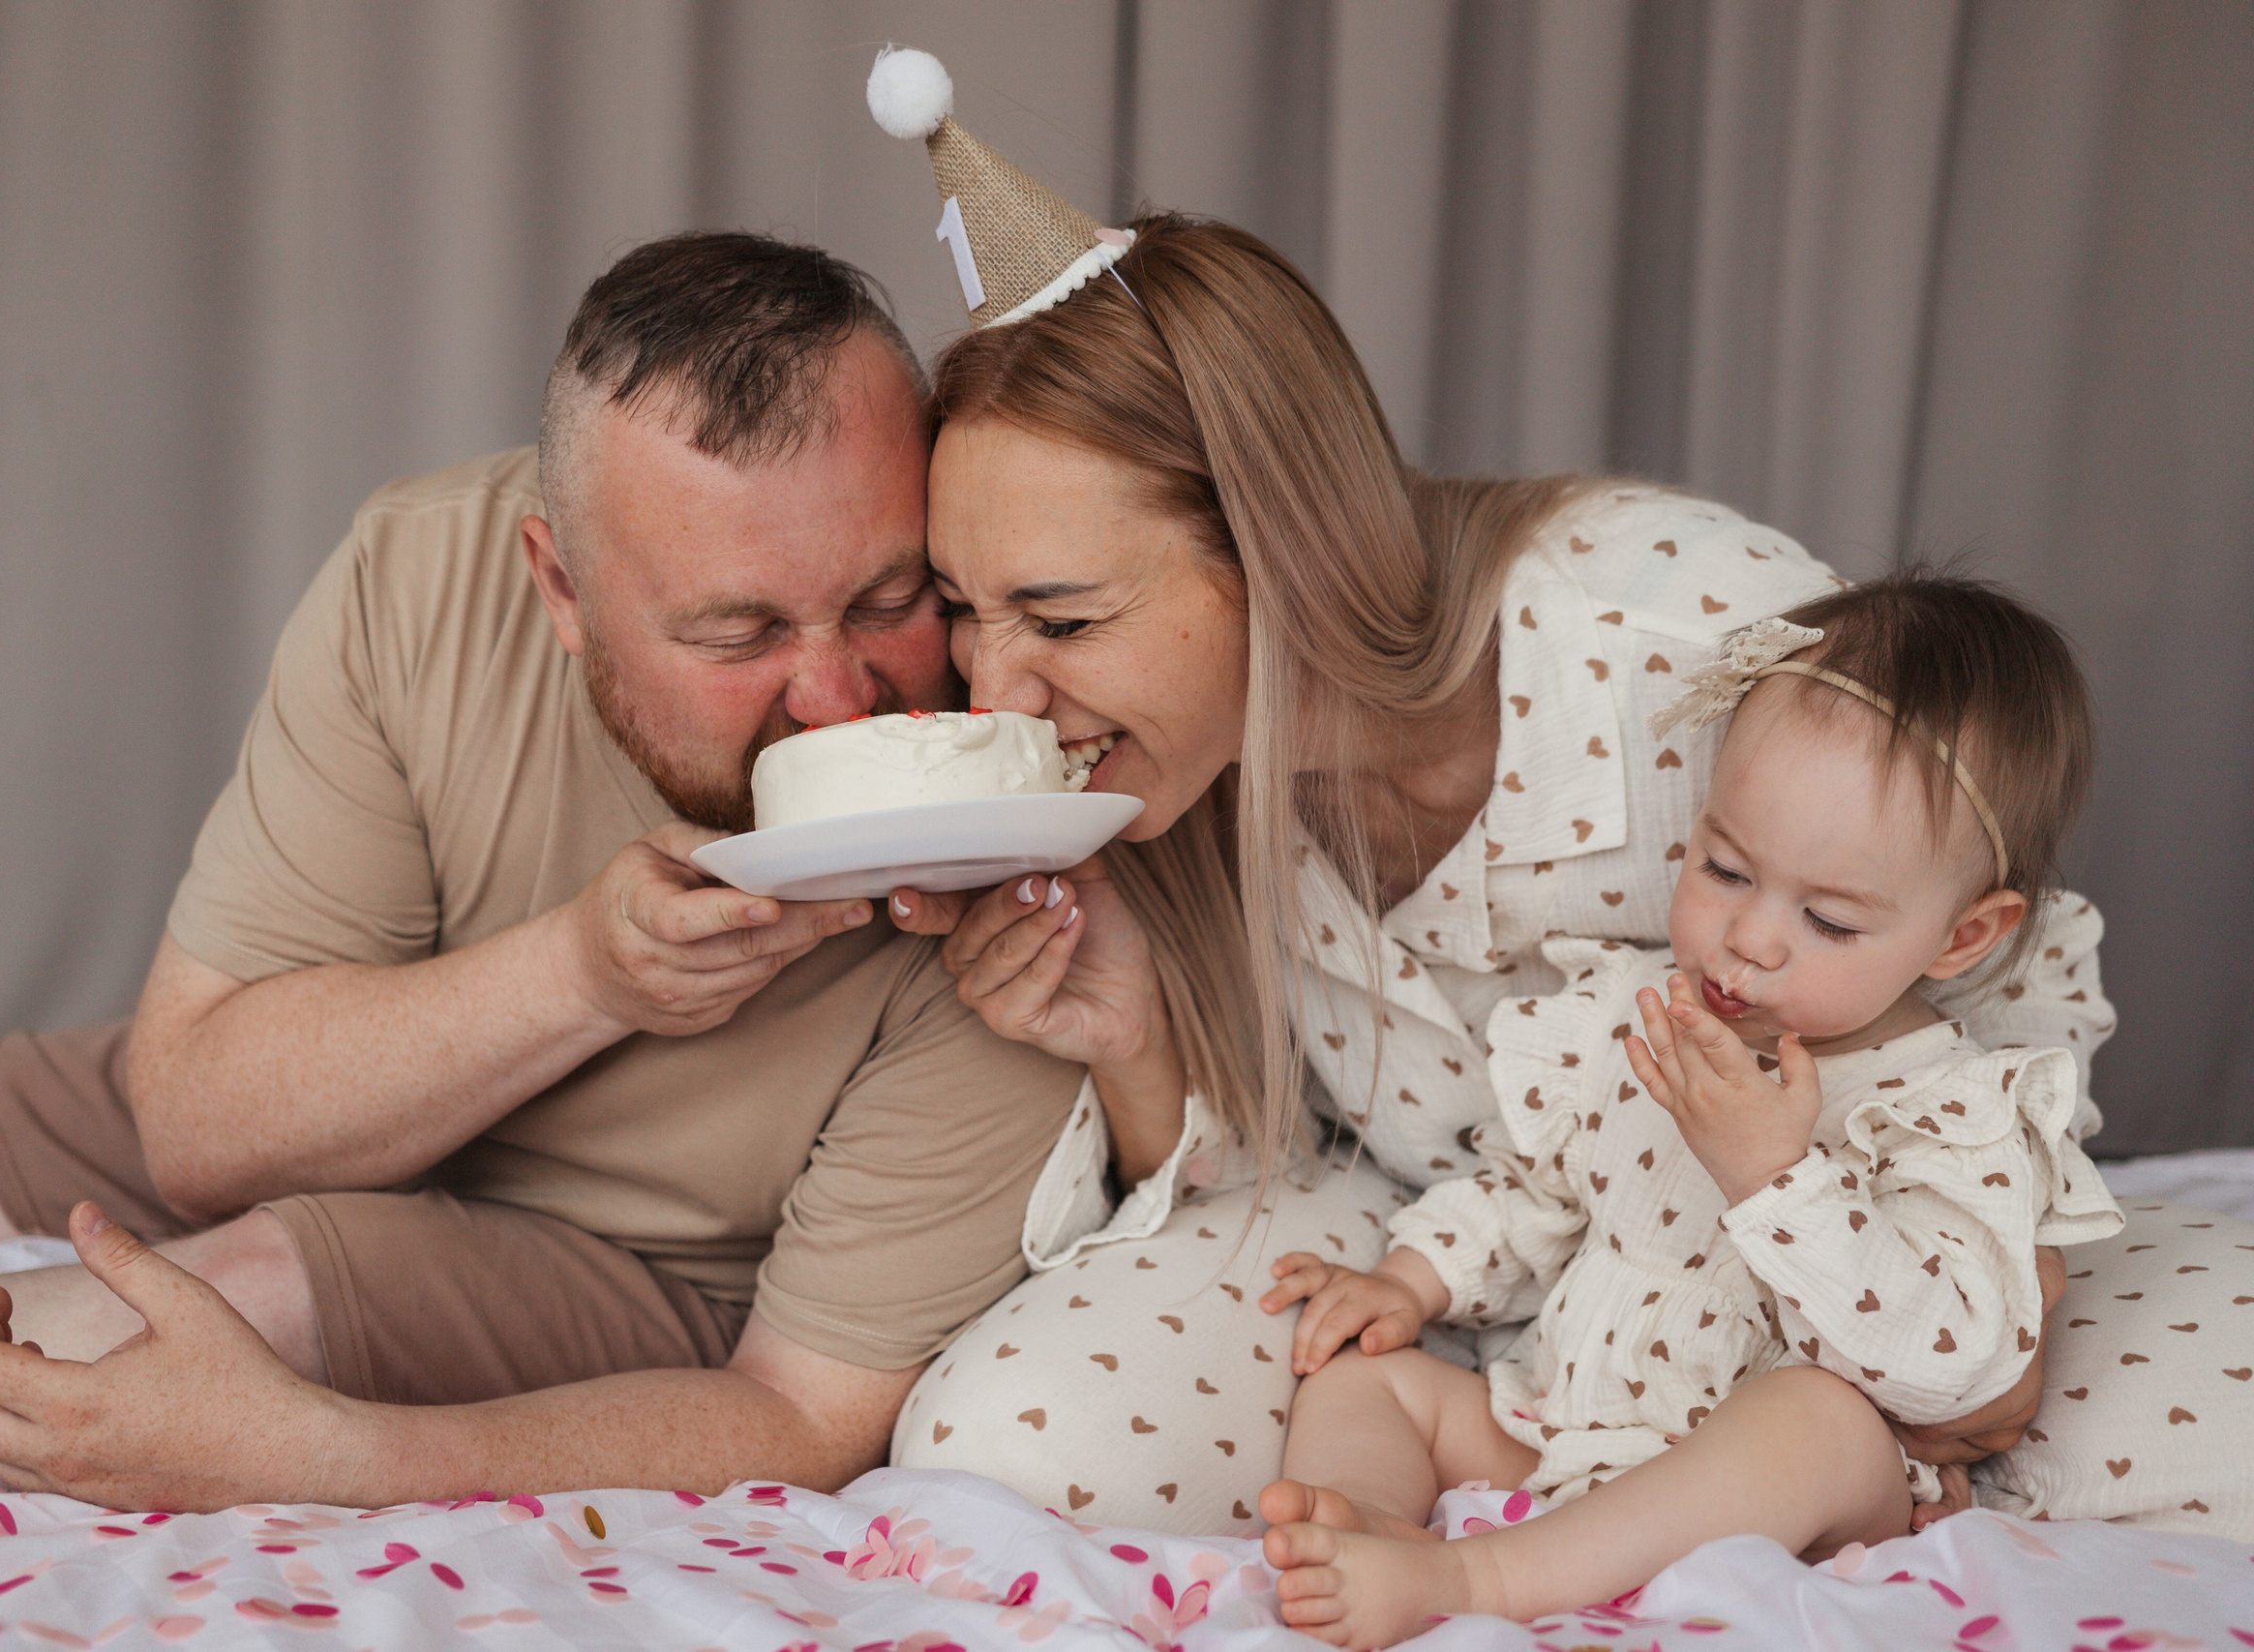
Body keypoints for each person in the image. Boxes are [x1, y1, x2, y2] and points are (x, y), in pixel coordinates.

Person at [867, 99, 2114, 1535]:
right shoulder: (1159, 790)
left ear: (1281, 547)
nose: (996, 686)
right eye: (963, 608)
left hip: (1835, 1288)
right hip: (1472, 1284)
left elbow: (2009, 950)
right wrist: (1136, 1043)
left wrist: (2007, 1280)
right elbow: (1275, 1168)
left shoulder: (1681, 634)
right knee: (997, 1447)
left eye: (1061, 615)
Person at [0, 231, 1083, 1514]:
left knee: (247, 1288)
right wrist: (586, 971)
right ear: (559, 586)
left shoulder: (1024, 823)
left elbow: (805, 1412)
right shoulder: (425, 577)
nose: (839, 696)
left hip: (649, 1253)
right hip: (410, 1082)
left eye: (890, 598)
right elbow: (190, 1125)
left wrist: (316, 1449)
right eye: (736, 630)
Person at [1254, 576, 2122, 1641]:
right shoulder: (1635, 1010)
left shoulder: (1951, 1111)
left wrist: (1775, 1177)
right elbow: (1539, 1191)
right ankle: (1378, 1531)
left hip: (1779, 1485)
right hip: (1564, 1432)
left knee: (1816, 1422)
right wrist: (1407, 1281)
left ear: (1961, 938)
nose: (1749, 940)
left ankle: (1481, 1583)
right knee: (1368, 1379)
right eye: (1723, 868)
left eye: (1829, 921)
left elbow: (1949, 1363)